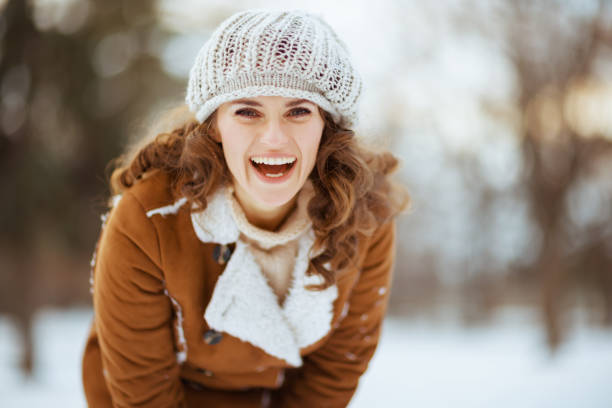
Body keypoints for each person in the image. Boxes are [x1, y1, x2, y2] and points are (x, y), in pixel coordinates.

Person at [81, 8, 410, 408]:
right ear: (215, 124)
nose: (274, 138)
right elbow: (144, 391)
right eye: (247, 112)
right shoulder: (147, 219)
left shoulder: (364, 217)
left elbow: (336, 370)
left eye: (299, 111)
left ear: (327, 125)